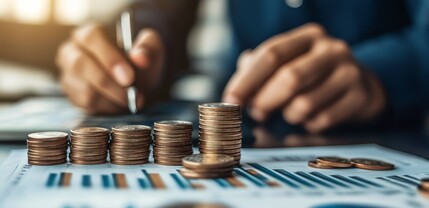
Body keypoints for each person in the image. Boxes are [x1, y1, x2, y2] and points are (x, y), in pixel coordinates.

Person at [55, 0, 429, 133]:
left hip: (392, 131)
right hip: (247, 128)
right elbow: (163, 12)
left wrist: (384, 73)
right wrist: (139, 50)